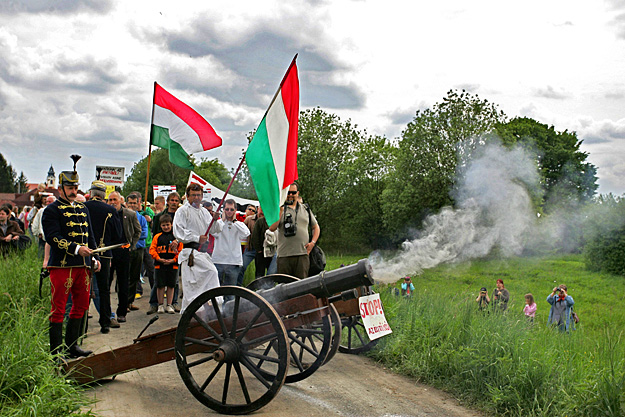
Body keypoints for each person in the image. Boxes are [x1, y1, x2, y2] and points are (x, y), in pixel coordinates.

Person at [41, 156, 100, 358]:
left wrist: (93, 257)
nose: (74, 191)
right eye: (69, 187)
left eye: (76, 187)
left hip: (82, 266)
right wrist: (76, 249)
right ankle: (56, 351)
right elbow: (53, 237)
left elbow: (89, 236)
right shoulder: (51, 210)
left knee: (82, 306)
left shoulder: (83, 209)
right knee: (58, 309)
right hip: (62, 266)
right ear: (61, 189)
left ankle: (72, 346)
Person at [172, 183, 223, 314]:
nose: (196, 198)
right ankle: (192, 315)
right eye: (193, 195)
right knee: (192, 287)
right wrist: (196, 238)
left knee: (212, 274)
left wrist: (216, 220)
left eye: (199, 195)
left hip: (202, 253)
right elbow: (178, 231)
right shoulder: (182, 211)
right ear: (188, 196)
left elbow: (214, 230)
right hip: (190, 254)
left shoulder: (204, 211)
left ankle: (213, 307)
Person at [84, 180, 123, 334]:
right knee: (104, 289)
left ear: (91, 193)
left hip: (84, 253)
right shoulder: (110, 210)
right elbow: (118, 235)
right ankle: (105, 323)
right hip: (104, 254)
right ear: (104, 195)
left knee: (84, 289)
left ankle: (82, 326)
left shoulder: (82, 207)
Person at [269, 182, 320, 279]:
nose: (291, 195)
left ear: (298, 193)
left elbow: (316, 227)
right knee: (284, 287)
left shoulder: (305, 209)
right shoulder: (279, 209)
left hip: (302, 254)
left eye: (293, 192)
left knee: (301, 285)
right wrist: (280, 212)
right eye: (288, 193)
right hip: (284, 255)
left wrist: (312, 243)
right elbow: (272, 228)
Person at [107, 191, 141, 325]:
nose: (112, 202)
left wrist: (131, 246)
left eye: (115, 199)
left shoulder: (130, 214)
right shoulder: (107, 213)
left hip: (123, 251)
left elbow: (138, 231)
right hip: (109, 252)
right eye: (110, 200)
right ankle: (107, 313)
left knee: (123, 283)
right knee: (107, 282)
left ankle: (122, 312)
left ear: (121, 201)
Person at [147, 191, 181, 314]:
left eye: (176, 201)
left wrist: (177, 241)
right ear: (167, 202)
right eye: (172, 200)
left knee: (174, 282)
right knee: (158, 282)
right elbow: (155, 234)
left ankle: (173, 303)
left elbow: (182, 233)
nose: (174, 203)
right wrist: (157, 255)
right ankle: (155, 303)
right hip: (160, 253)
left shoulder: (180, 215)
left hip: (174, 254)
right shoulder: (158, 217)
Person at [212, 199, 250, 294]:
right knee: (216, 291)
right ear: (223, 210)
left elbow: (246, 233)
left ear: (235, 210)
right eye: (227, 209)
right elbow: (214, 232)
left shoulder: (239, 224)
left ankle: (229, 309)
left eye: (231, 209)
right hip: (218, 260)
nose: (229, 212)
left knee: (231, 292)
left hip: (233, 261)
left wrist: (234, 221)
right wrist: (222, 220)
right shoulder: (218, 224)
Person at [125, 194, 148, 312]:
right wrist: (134, 235)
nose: (132, 205)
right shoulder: (123, 217)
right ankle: (123, 303)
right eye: (130, 203)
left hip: (138, 250)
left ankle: (130, 301)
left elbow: (144, 234)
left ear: (138, 204)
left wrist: (133, 236)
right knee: (124, 277)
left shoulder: (142, 218)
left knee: (135, 277)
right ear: (126, 203)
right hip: (126, 250)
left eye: (135, 203)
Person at [236, 205, 258, 286]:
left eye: (253, 210)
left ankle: (260, 289)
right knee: (241, 267)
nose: (251, 211)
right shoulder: (247, 219)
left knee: (259, 271)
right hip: (249, 248)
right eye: (250, 209)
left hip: (260, 250)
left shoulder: (265, 219)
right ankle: (238, 287)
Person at [31, 195, 56, 260]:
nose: (47, 203)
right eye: (47, 201)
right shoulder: (41, 211)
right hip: (43, 236)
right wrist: (37, 233)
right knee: (41, 254)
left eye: (50, 201)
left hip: (54, 237)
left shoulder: (57, 211)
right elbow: (35, 223)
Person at [251, 206, 272, 277]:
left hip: (271, 252)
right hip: (261, 252)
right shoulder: (260, 221)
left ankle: (269, 287)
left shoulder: (274, 221)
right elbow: (255, 236)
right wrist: (259, 250)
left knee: (271, 272)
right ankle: (259, 287)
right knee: (260, 273)